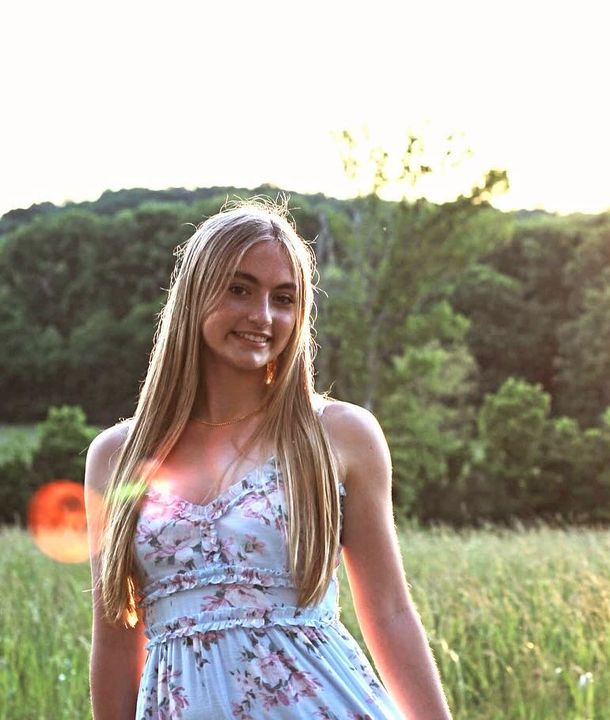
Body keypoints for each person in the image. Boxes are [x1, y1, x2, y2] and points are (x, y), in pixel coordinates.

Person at [84, 200, 452, 719]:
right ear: (195, 294)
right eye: (239, 289)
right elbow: (115, 642)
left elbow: (390, 612)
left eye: (283, 299)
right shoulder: (118, 456)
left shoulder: (338, 435)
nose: (262, 316)